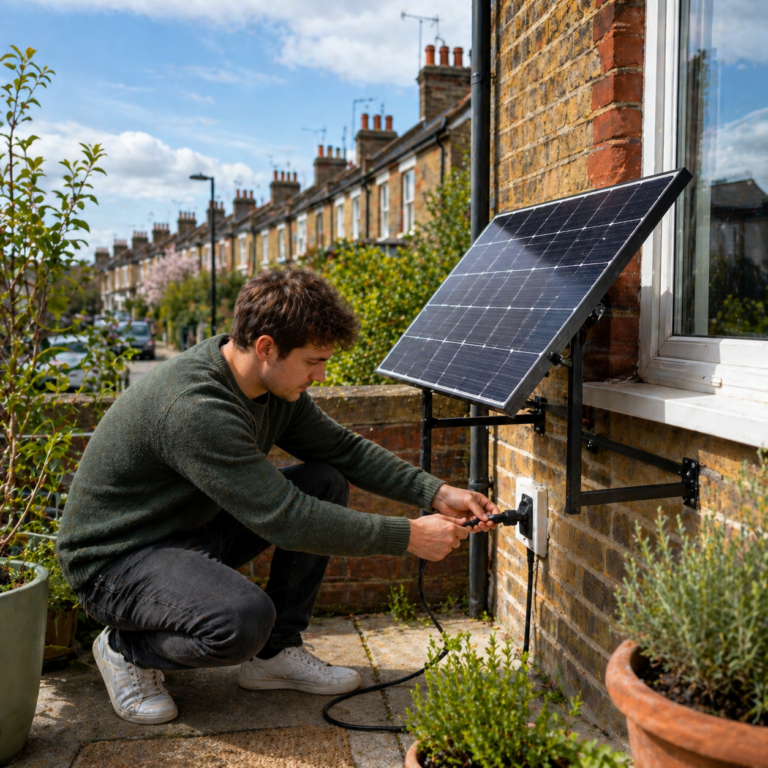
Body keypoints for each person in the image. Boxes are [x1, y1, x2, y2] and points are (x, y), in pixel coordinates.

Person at [57, 267, 498, 725]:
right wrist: (405, 534)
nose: (321, 375)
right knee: (242, 621)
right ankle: (124, 649)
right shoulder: (196, 408)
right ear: (266, 346)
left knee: (325, 479)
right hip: (115, 561)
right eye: (313, 361)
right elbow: (286, 518)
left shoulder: (271, 390)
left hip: (187, 532)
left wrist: (437, 492)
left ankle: (274, 656)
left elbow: (343, 450)